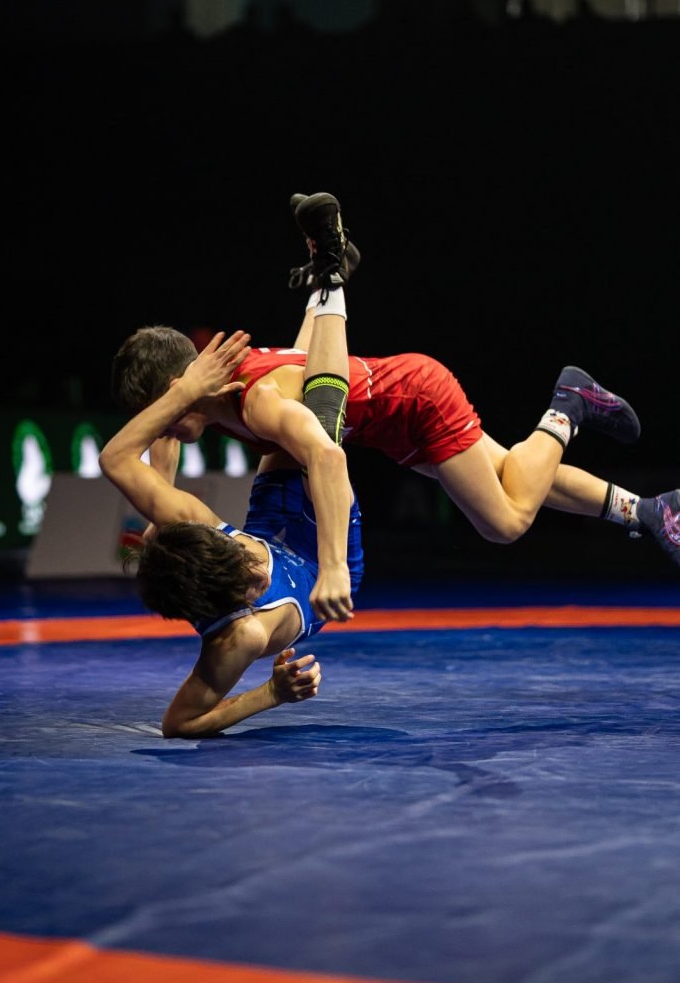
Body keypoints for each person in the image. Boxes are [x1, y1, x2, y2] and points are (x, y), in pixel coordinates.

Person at [111, 191, 680, 572]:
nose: (162, 425)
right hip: (391, 416)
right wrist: (157, 517)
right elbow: (169, 438)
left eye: (162, 409)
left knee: (505, 521)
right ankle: (650, 512)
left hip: (415, 400)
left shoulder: (253, 399)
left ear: (181, 385)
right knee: (515, 474)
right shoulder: (204, 395)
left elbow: (325, 440)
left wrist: (333, 568)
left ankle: (567, 405)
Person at [98, 329, 364, 739]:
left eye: (242, 558)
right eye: (249, 587)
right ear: (226, 604)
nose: (258, 572)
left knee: (282, 395)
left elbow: (115, 459)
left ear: (221, 538)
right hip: (318, 567)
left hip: (271, 528)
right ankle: (330, 304)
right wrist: (269, 694)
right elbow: (178, 724)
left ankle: (316, 300)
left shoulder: (193, 520)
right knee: (320, 432)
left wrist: (187, 391)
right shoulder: (240, 638)